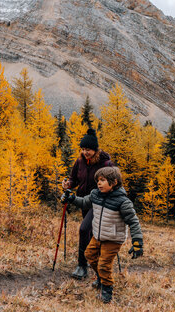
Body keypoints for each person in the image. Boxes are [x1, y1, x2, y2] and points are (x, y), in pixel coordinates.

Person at [61, 166, 144, 303]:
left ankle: (106, 289)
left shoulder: (123, 202)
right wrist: (72, 198)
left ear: (114, 182)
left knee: (104, 264)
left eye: (103, 180)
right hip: (98, 236)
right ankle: (101, 276)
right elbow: (84, 202)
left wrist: (137, 242)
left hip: (113, 239)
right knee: (89, 255)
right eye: (98, 180)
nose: (99, 183)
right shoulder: (96, 194)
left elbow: (133, 222)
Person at [61, 128, 113, 279]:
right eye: (83, 149)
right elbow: (74, 179)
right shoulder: (80, 161)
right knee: (90, 233)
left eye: (88, 149)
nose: (85, 152)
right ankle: (94, 261)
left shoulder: (105, 163)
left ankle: (82, 266)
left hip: (99, 203)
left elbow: (113, 183)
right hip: (83, 201)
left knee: (84, 230)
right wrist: (68, 184)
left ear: (95, 149)